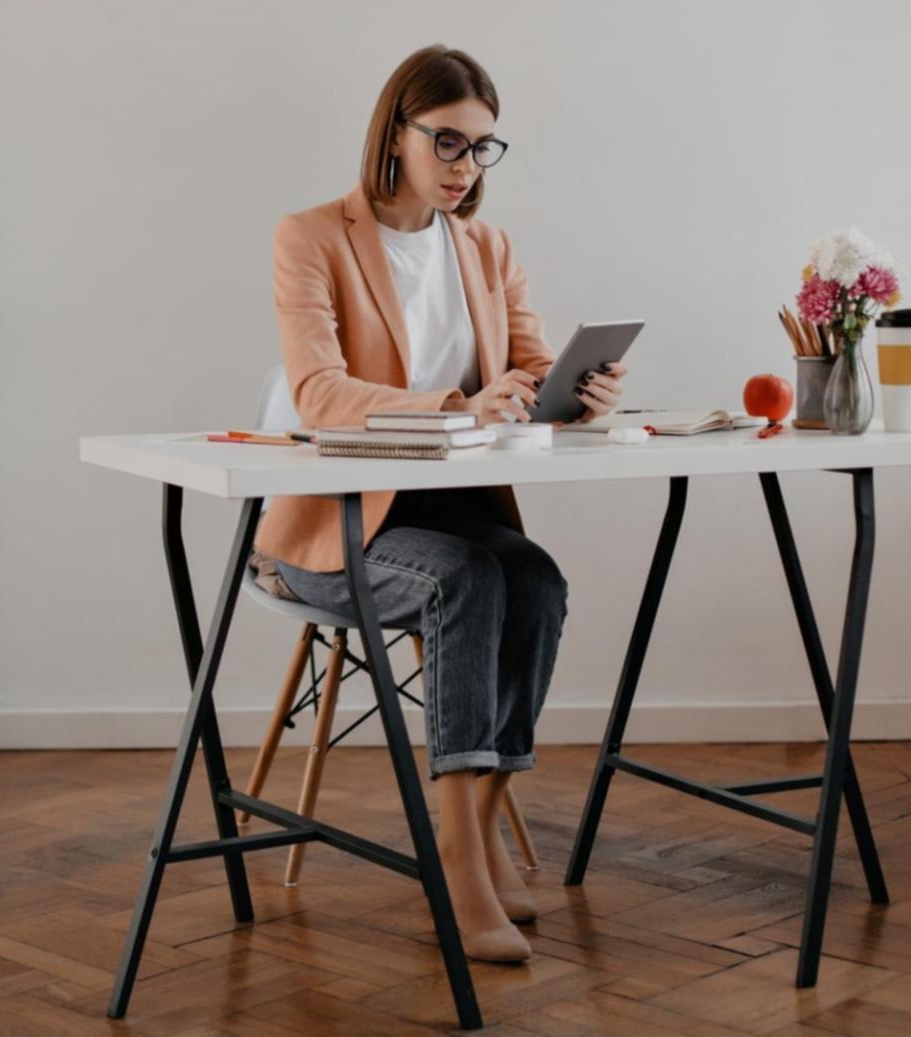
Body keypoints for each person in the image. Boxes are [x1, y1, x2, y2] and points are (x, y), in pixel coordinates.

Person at [250, 44, 629, 963]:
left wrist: (579, 392)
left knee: (531, 576)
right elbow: (320, 392)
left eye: (482, 149)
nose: (465, 168)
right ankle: (456, 859)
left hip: (447, 508)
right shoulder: (312, 236)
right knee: (466, 578)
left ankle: (485, 817)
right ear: (397, 132)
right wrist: (455, 405)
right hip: (331, 526)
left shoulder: (486, 247)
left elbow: (531, 366)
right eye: (448, 143)